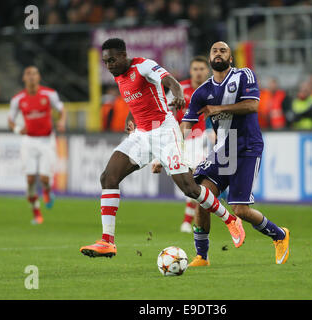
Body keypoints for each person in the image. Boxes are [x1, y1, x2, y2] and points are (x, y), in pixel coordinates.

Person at [79, 38, 245, 258]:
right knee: (108, 177)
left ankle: (231, 220)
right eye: (105, 62)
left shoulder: (143, 65)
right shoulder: (118, 75)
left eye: (111, 60)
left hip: (164, 132)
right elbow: (137, 101)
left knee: (190, 188)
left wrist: (177, 94)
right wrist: (131, 117)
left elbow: (169, 81)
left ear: (123, 55)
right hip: (141, 135)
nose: (108, 65)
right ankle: (107, 241)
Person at [180, 41, 290, 266]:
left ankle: (279, 235)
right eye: (214, 50)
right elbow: (186, 125)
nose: (218, 53)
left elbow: (252, 106)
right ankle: (202, 256)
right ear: (210, 58)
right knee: (202, 195)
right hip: (223, 149)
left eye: (223, 51)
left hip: (248, 147)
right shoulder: (202, 92)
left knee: (240, 209)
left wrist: (217, 110)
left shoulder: (244, 76)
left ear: (230, 59)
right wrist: (167, 151)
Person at [8, 66, 66, 224]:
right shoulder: (18, 99)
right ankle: (37, 214)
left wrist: (61, 121)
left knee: (45, 178)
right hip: (29, 141)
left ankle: (47, 190)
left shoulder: (49, 94)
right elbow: (10, 121)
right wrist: (18, 129)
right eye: (28, 74)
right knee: (30, 179)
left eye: (34, 74)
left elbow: (61, 109)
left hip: (47, 140)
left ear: (39, 77)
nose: (31, 77)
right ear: (24, 78)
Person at [163, 56, 210, 233]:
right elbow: (166, 111)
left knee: (196, 181)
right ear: (190, 71)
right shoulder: (180, 88)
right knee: (193, 183)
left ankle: (188, 222)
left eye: (202, 69)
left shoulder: (212, 89)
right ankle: (193, 221)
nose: (198, 72)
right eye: (195, 69)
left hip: (201, 140)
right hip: (181, 140)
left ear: (207, 71)